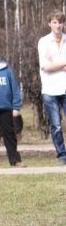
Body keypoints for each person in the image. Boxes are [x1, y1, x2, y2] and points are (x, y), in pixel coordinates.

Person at [37, 10, 66, 164]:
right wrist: (63, 64)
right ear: (50, 24)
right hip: (50, 89)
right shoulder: (43, 42)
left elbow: (51, 64)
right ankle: (62, 155)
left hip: (65, 87)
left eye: (60, 22)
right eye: (55, 22)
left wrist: (55, 64)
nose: (58, 25)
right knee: (56, 125)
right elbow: (46, 67)